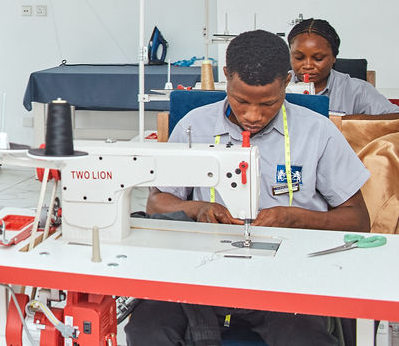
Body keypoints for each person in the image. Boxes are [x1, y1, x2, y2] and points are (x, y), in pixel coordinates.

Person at [125, 30, 370, 346]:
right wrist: (197, 208)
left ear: (287, 82)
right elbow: (157, 203)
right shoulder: (193, 127)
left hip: (286, 275)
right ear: (226, 76)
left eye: (268, 103)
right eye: (241, 101)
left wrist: (295, 217)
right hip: (201, 272)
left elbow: (358, 220)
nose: (253, 116)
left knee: (305, 338)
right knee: (146, 330)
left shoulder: (316, 132)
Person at [288, 18, 399, 120]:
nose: (308, 66)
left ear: (334, 57)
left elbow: (396, 118)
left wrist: (343, 121)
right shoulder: (279, 84)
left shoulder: (357, 90)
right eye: (299, 57)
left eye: (318, 58)